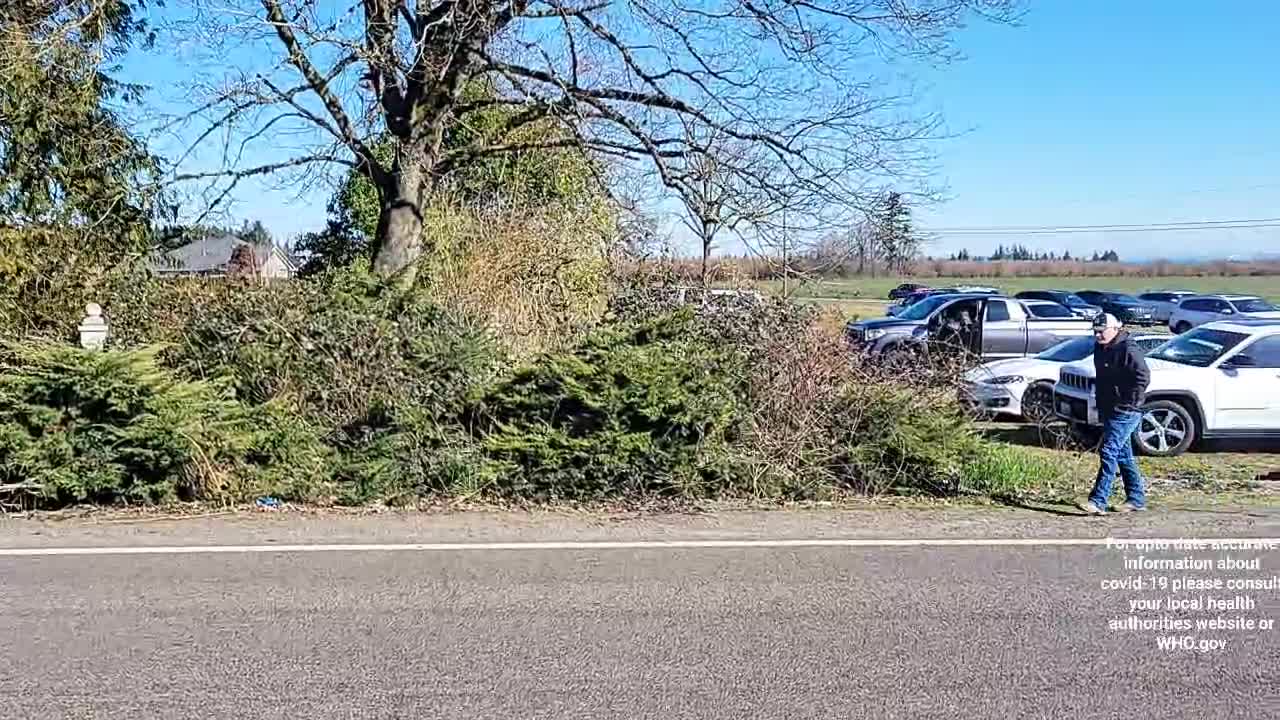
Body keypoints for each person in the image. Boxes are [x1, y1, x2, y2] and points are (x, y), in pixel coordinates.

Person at [1079, 313, 1151, 515]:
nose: (1098, 336)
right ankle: (1136, 499)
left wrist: (1129, 402)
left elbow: (1143, 378)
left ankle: (1098, 501)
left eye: (1101, 331)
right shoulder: (1100, 348)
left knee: (1109, 451)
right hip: (1108, 408)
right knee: (1123, 455)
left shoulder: (1129, 349)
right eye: (1095, 332)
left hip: (1126, 410)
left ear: (1115, 329)